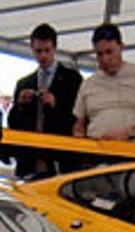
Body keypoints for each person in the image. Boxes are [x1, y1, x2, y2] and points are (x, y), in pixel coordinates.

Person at [7, 22, 83, 178]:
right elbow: (13, 123)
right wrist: (20, 105)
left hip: (60, 156)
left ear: (55, 49)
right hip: (29, 158)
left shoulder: (72, 79)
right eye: (38, 51)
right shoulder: (24, 83)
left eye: (47, 50)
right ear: (32, 50)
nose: (42, 56)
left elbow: (78, 117)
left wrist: (56, 103)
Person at [71, 23, 135, 143]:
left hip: (129, 153)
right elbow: (79, 122)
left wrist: (127, 133)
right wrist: (78, 134)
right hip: (94, 152)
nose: (105, 59)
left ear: (121, 47)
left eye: (109, 52)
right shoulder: (88, 83)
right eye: (99, 54)